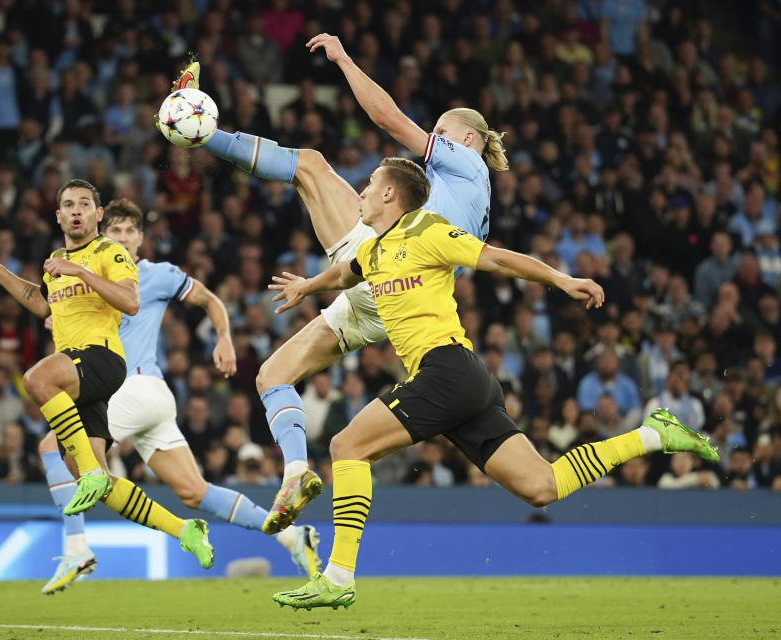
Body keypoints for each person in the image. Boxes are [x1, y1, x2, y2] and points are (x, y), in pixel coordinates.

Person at [267, 158, 719, 609]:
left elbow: (498, 258)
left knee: (347, 447)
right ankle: (655, 433)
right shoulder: (374, 251)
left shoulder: (428, 230)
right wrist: (307, 286)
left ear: (390, 194)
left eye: (370, 185)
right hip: (466, 383)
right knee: (542, 486)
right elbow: (345, 274)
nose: (361, 193)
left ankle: (338, 576)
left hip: (446, 370)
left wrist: (561, 279)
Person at [163, 33, 509, 533]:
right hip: (386, 304)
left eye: (441, 131)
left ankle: (202, 134)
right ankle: (297, 472)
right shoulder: (475, 206)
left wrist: (346, 59)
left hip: (387, 269)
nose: (433, 138)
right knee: (270, 375)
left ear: (469, 139)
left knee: (310, 164)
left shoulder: (466, 161)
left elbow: (389, 119)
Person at [38, 198, 322, 594]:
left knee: (54, 445)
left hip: (133, 388)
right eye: (114, 231)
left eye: (129, 231)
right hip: (147, 399)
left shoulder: (155, 275)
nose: (121, 237)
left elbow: (209, 298)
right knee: (194, 491)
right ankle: (294, 537)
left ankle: (76, 548)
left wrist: (224, 337)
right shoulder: (86, 276)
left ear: (140, 240)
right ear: (104, 235)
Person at [0, 179, 213, 568]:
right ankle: (184, 530)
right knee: (93, 479)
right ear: (58, 215)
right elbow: (40, 303)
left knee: (35, 379)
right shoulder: (56, 260)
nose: (76, 210)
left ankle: (93, 479)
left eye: (84, 204)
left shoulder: (109, 251)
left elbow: (131, 301)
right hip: (80, 378)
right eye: (68, 204)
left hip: (103, 358)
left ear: (98, 215)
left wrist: (79, 273)